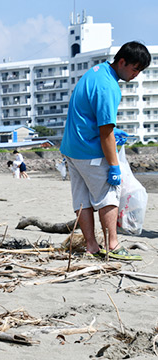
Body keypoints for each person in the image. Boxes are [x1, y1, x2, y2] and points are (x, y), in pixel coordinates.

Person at [60, 41, 150, 260]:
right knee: (109, 195)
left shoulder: (96, 72)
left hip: (71, 147)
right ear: (122, 62)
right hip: (89, 149)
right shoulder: (108, 86)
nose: (136, 74)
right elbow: (105, 132)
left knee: (82, 199)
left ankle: (92, 246)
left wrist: (112, 130)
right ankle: (113, 244)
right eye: (135, 68)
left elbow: (91, 115)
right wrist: (114, 166)